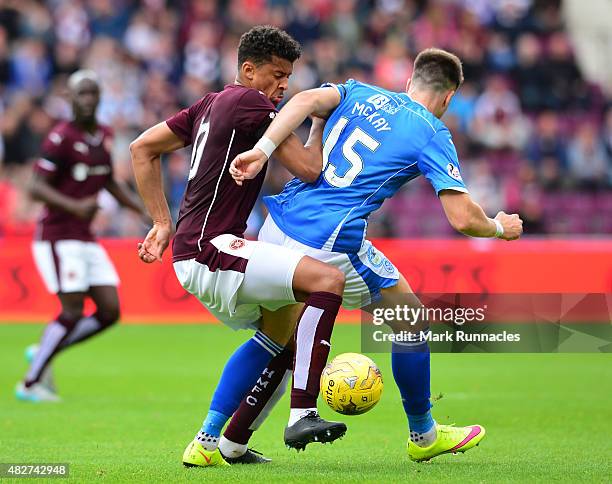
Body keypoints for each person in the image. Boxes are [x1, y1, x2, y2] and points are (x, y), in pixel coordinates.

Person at [227, 47, 523, 463]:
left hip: (277, 224)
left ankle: (219, 439)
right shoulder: (433, 133)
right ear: (449, 98)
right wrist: (499, 227)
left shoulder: (361, 92)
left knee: (277, 339)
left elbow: (305, 100)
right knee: (410, 319)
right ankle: (423, 434)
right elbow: (462, 219)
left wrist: (263, 149)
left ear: (408, 82)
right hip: (327, 240)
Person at [130, 26, 348, 468]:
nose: (282, 85)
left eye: (288, 77)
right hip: (212, 247)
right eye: (276, 74)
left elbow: (141, 148)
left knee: (282, 328)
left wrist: (160, 220)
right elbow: (309, 169)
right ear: (248, 70)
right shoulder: (253, 103)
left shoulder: (209, 103)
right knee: (328, 279)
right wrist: (320, 120)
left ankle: (212, 444)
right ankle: (303, 412)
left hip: (197, 249)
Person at [16, 70, 147, 402]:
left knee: (109, 311)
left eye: (92, 93)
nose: (87, 99)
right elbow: (35, 187)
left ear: (99, 98)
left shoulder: (103, 134)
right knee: (72, 310)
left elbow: (108, 181)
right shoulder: (59, 136)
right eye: (81, 94)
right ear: (70, 99)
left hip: (85, 238)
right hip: (58, 236)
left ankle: (46, 346)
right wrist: (75, 206)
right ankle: (30, 384)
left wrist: (141, 210)